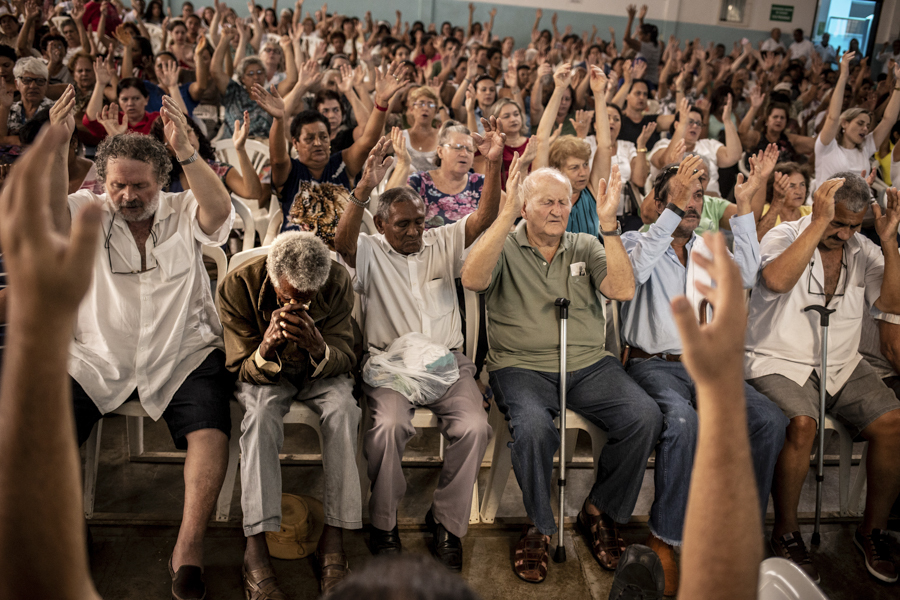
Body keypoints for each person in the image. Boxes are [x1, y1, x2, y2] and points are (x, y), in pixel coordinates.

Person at [52, 97, 236, 600]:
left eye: (140, 185)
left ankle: (189, 547)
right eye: (118, 185)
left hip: (183, 352)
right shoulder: (86, 211)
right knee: (47, 431)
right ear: (102, 183)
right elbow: (41, 209)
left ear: (163, 181)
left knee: (209, 427)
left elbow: (220, 212)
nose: (128, 196)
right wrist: (54, 145)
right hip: (98, 356)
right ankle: (72, 528)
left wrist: (188, 154)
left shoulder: (182, 208)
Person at [460, 160, 663, 583]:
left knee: (644, 416)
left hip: (588, 363)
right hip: (521, 366)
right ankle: (539, 523)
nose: (558, 209)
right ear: (525, 206)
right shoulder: (504, 245)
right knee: (533, 428)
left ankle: (599, 509)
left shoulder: (586, 244)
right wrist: (504, 216)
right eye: (546, 202)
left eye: (564, 201)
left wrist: (608, 227)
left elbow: (622, 290)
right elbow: (473, 279)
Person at [333, 129, 503, 571]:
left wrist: (496, 165)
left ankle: (446, 521)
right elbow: (342, 245)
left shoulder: (441, 242)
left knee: (474, 427)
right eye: (403, 224)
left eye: (419, 222)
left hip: (447, 361)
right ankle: (384, 523)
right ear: (381, 224)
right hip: (390, 364)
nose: (414, 231)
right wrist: (364, 188)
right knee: (387, 425)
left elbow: (484, 219)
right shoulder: (369, 249)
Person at [619, 155, 788, 596]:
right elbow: (633, 275)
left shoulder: (708, 248)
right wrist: (672, 204)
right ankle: (664, 540)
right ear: (658, 202)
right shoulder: (635, 239)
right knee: (681, 422)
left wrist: (747, 206)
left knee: (769, 420)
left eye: (697, 196)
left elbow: (749, 273)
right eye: (680, 196)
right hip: (653, 364)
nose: (692, 204)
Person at [746, 172, 900, 583]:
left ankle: (873, 530)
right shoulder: (784, 235)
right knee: (802, 424)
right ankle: (786, 530)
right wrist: (817, 224)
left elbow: (890, 304)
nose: (846, 234)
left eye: (855, 225)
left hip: (841, 363)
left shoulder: (864, 248)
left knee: (892, 422)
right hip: (778, 357)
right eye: (839, 223)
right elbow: (776, 281)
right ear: (821, 208)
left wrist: (887, 240)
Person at [218, 231, 361, 595]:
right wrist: (266, 346)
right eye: (287, 298)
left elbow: (346, 354)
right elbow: (238, 367)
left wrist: (318, 347)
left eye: (308, 300)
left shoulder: (338, 279)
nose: (299, 307)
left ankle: (334, 537)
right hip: (267, 374)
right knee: (260, 415)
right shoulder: (239, 284)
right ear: (271, 274)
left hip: (321, 371)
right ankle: (255, 546)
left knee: (344, 410)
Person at [253, 61, 408, 245]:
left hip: (340, 254)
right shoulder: (290, 170)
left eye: (323, 137)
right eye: (309, 139)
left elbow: (368, 142)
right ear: (295, 143)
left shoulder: (343, 163)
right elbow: (278, 160)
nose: (318, 143)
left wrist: (381, 102)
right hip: (295, 253)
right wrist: (279, 119)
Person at [534, 65, 613, 236]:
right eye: (574, 168)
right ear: (557, 171)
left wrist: (599, 94)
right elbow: (541, 141)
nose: (584, 172)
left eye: (585, 165)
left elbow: (605, 145)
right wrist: (559, 89)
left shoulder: (591, 190)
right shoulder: (544, 189)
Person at [815, 52, 900, 186]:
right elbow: (832, 117)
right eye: (860, 123)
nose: (865, 128)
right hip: (827, 204)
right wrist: (843, 76)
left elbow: (888, 120)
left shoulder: (865, 146)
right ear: (844, 123)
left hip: (858, 205)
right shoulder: (827, 146)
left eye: (867, 125)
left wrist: (898, 85)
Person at [388, 120, 485, 229]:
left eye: (469, 149)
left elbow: (506, 213)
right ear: (440, 151)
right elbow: (390, 207)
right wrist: (403, 163)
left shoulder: (481, 183)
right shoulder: (421, 182)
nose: (464, 154)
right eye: (458, 147)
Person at [650, 97, 742, 197]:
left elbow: (734, 157)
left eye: (698, 123)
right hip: (676, 203)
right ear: (676, 125)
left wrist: (727, 120)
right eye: (689, 121)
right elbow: (666, 163)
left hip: (711, 203)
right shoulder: (663, 144)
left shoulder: (708, 145)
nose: (695, 126)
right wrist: (682, 126)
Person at [753, 161, 813, 241]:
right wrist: (778, 200)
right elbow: (759, 239)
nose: (799, 192)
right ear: (776, 188)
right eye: (791, 186)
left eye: (802, 184)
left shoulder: (812, 212)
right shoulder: (764, 212)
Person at [0, 57, 54, 143]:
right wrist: (5, 107)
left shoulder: (56, 110)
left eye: (39, 81)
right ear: (16, 84)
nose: (33, 86)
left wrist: (10, 140)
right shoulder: (8, 109)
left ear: (46, 85)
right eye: (27, 80)